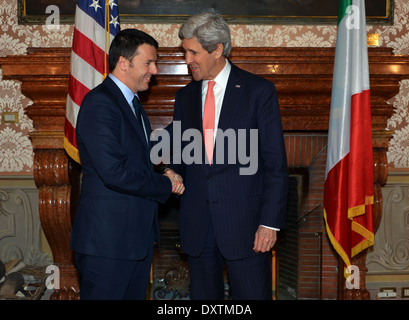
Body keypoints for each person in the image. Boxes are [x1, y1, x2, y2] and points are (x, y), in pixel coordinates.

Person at [167, 11, 288, 300]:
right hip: (198, 228)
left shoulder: (258, 92)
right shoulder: (185, 97)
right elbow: (181, 155)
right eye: (184, 51)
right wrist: (171, 170)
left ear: (217, 49)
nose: (187, 60)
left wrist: (269, 223)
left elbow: (275, 165)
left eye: (193, 52)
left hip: (246, 229)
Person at [70, 28, 184, 300]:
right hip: (108, 245)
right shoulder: (100, 103)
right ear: (124, 62)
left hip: (134, 242)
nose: (154, 70)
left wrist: (164, 168)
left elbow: (136, 158)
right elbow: (114, 171)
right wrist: (165, 183)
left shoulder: (131, 103)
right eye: (149, 62)